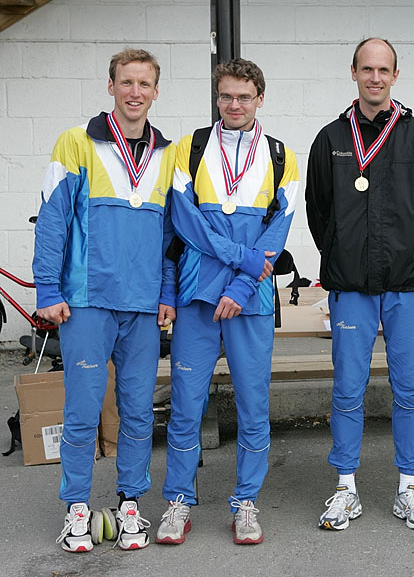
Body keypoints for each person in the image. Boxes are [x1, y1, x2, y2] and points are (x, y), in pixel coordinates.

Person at [33, 48, 176, 552]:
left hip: (143, 307)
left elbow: (171, 238)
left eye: (144, 84)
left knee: (138, 413)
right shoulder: (76, 142)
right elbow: (52, 218)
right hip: (87, 302)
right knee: (82, 411)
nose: (135, 92)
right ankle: (76, 508)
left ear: (156, 91)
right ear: (111, 86)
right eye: (126, 82)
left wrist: (167, 293)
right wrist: (47, 289)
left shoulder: (168, 154)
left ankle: (129, 504)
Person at [156, 58, 298, 545]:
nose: (234, 104)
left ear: (261, 99)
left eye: (243, 96)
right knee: (185, 405)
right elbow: (185, 224)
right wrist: (241, 259)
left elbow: (276, 234)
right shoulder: (189, 148)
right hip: (198, 296)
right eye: (225, 96)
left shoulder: (281, 156)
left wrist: (240, 287)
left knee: (254, 407)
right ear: (217, 98)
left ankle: (246, 503)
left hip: (250, 300)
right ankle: (178, 501)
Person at [306, 37, 414, 531]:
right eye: (367, 69)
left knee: (408, 389)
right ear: (354, 73)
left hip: (407, 286)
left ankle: (408, 486)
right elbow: (318, 210)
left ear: (395, 75)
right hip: (350, 288)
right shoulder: (330, 138)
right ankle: (346, 487)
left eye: (383, 70)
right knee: (348, 388)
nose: (375, 77)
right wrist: (342, 253)